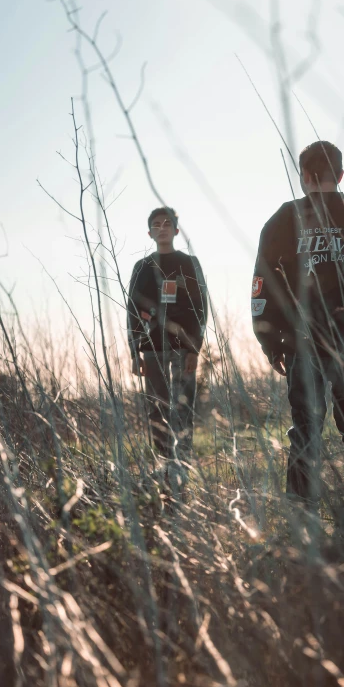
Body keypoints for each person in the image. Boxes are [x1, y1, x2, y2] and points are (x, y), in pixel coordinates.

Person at [251, 141, 344, 507]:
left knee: (307, 425)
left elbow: (262, 285)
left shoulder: (284, 218)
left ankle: (301, 510)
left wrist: (272, 342)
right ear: (341, 174)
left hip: (302, 340)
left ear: (303, 176)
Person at [127, 207, 207, 496]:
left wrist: (194, 348)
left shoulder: (189, 264)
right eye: (156, 225)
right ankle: (163, 468)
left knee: (184, 409)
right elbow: (132, 311)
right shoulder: (142, 267)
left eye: (167, 224)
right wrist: (134, 350)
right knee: (157, 411)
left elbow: (200, 307)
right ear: (149, 232)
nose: (162, 228)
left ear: (176, 230)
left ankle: (182, 471)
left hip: (183, 349)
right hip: (152, 349)